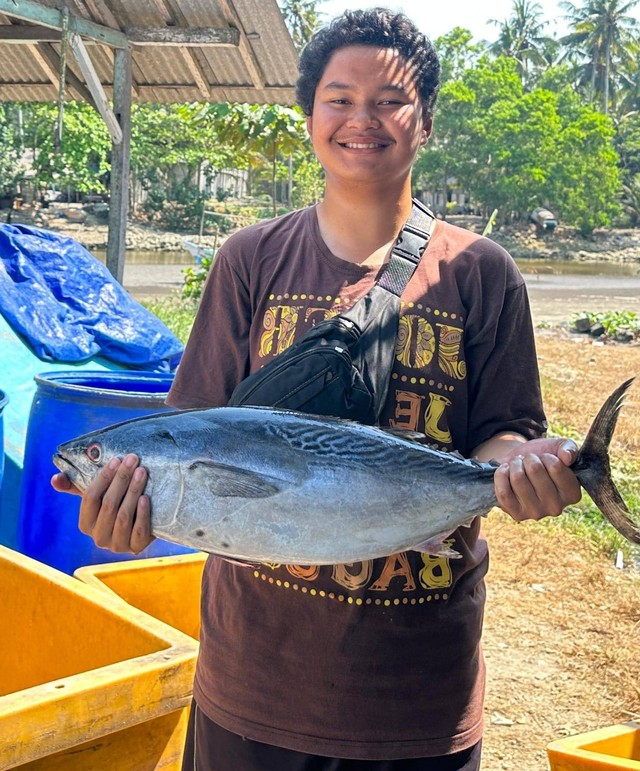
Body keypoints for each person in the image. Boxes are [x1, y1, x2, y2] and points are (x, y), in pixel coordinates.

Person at [52, 8, 581, 769]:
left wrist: (518, 471)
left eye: (390, 100)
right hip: (257, 685)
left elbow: (501, 432)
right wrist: (130, 515)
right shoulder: (250, 259)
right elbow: (192, 432)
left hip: (419, 694)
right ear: (308, 116)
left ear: (425, 121)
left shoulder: (482, 273)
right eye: (338, 97)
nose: (361, 118)